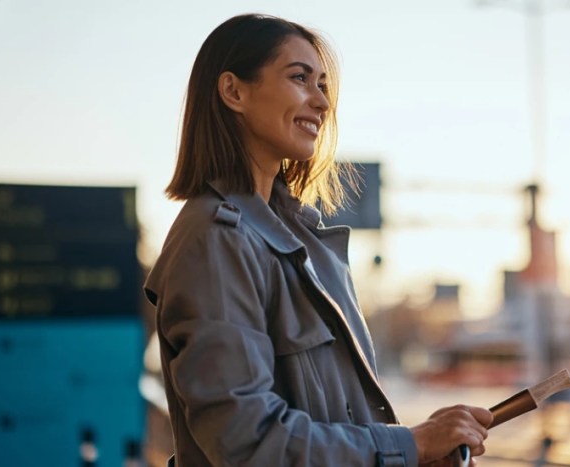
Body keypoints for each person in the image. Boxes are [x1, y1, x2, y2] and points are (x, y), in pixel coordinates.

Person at [143, 14, 493, 466]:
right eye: (299, 78)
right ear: (234, 92)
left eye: (323, 85)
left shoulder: (297, 241)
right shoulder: (216, 240)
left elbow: (331, 420)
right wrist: (412, 445)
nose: (322, 102)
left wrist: (419, 448)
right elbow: (247, 442)